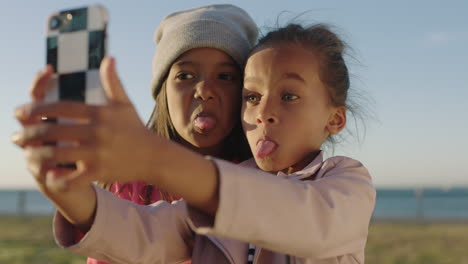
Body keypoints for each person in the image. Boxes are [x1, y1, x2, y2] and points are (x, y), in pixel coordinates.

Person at [13, 22, 376, 263]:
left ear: (334, 119)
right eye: (251, 97)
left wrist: (156, 159)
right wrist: (65, 185)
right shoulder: (218, 190)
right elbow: (141, 231)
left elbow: (300, 218)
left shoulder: (347, 184)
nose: (263, 112)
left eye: (289, 97)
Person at [13, 4, 256, 264]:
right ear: (162, 92)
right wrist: (67, 188)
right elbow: (122, 236)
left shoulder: (262, 180)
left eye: (226, 76)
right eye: (185, 75)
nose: (205, 90)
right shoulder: (128, 183)